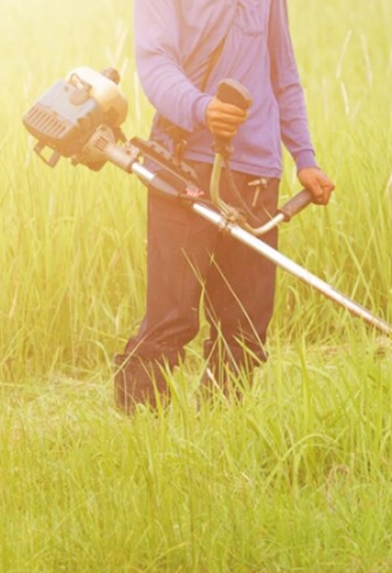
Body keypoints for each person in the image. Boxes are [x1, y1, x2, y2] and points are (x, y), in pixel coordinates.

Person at [114, 0, 335, 413]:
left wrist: (305, 158)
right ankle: (139, 435)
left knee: (245, 324)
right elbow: (156, 64)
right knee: (172, 318)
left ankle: (220, 431)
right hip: (182, 167)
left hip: (257, 173)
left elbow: (282, 76)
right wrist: (201, 107)